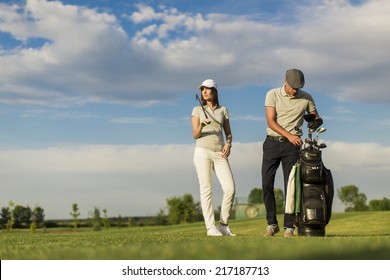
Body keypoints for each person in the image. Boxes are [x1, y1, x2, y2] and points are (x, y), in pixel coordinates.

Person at [261, 69, 323, 238]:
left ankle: (289, 227)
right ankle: (272, 224)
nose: (295, 90)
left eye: (298, 87)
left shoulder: (307, 97)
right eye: (293, 87)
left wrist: (315, 122)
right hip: (272, 143)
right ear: (285, 81)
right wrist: (289, 135)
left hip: (292, 148)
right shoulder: (272, 94)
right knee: (267, 185)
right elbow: (270, 121)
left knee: (291, 187)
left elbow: (315, 117)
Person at [192, 79, 236, 236]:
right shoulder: (197, 110)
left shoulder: (223, 110)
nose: (204, 91)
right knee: (206, 189)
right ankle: (210, 227)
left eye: (208, 89)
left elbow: (228, 133)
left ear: (215, 92)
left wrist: (228, 144)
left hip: (220, 153)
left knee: (230, 189)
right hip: (202, 152)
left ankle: (223, 225)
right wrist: (202, 125)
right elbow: (195, 135)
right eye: (202, 89)